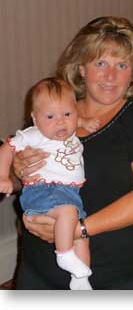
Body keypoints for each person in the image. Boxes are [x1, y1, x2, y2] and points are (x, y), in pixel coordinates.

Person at [12, 16, 133, 289]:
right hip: (37, 268)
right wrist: (17, 170)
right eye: (100, 63)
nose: (110, 76)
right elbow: (20, 183)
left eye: (121, 65)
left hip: (113, 275)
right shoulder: (55, 111)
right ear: (82, 69)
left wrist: (77, 229)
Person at [0, 77, 99, 290]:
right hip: (45, 190)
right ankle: (64, 255)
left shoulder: (70, 128)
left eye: (67, 114)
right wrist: (3, 176)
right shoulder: (35, 135)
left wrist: (84, 123)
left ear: (75, 111)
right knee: (68, 214)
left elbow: (73, 120)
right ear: (35, 119)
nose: (60, 122)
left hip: (69, 193)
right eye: (50, 116)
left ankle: (81, 280)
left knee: (82, 238)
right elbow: (7, 147)